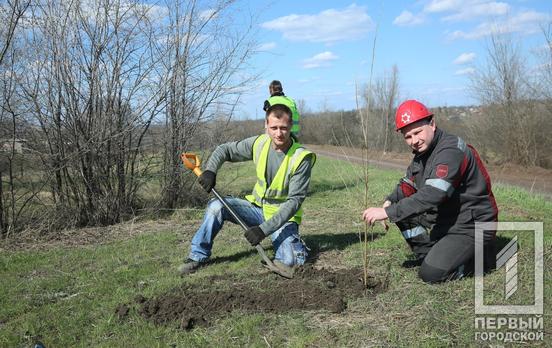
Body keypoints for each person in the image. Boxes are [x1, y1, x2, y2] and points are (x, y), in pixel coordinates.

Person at [362, 99, 498, 283]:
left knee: (431, 275)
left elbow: (433, 195)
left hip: (472, 224)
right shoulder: (422, 153)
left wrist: (387, 212)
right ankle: (428, 256)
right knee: (401, 211)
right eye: (408, 137)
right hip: (448, 220)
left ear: (432, 124)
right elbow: (408, 184)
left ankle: (482, 260)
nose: (414, 141)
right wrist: (390, 200)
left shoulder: (450, 150)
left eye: (418, 132)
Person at [179, 104, 316, 275]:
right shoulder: (259, 143)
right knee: (216, 207)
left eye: (283, 128)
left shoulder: (301, 157)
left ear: (291, 127)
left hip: (282, 215)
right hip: (256, 208)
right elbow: (224, 149)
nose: (278, 133)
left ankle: (296, 246)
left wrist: (263, 230)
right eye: (274, 128)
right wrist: (210, 170)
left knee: (290, 261)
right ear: (266, 126)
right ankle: (197, 256)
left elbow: (294, 202)